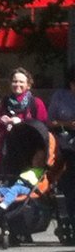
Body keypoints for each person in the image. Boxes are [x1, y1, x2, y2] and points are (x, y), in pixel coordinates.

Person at [0, 67, 47, 165]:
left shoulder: (36, 103)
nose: (18, 84)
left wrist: (21, 123)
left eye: (21, 82)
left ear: (28, 85)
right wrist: (1, 121)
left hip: (30, 152)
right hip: (7, 152)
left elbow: (42, 130)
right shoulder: (4, 102)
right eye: (15, 81)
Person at [47, 66, 75, 221]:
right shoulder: (60, 96)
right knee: (70, 185)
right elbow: (50, 121)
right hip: (66, 146)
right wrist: (68, 124)